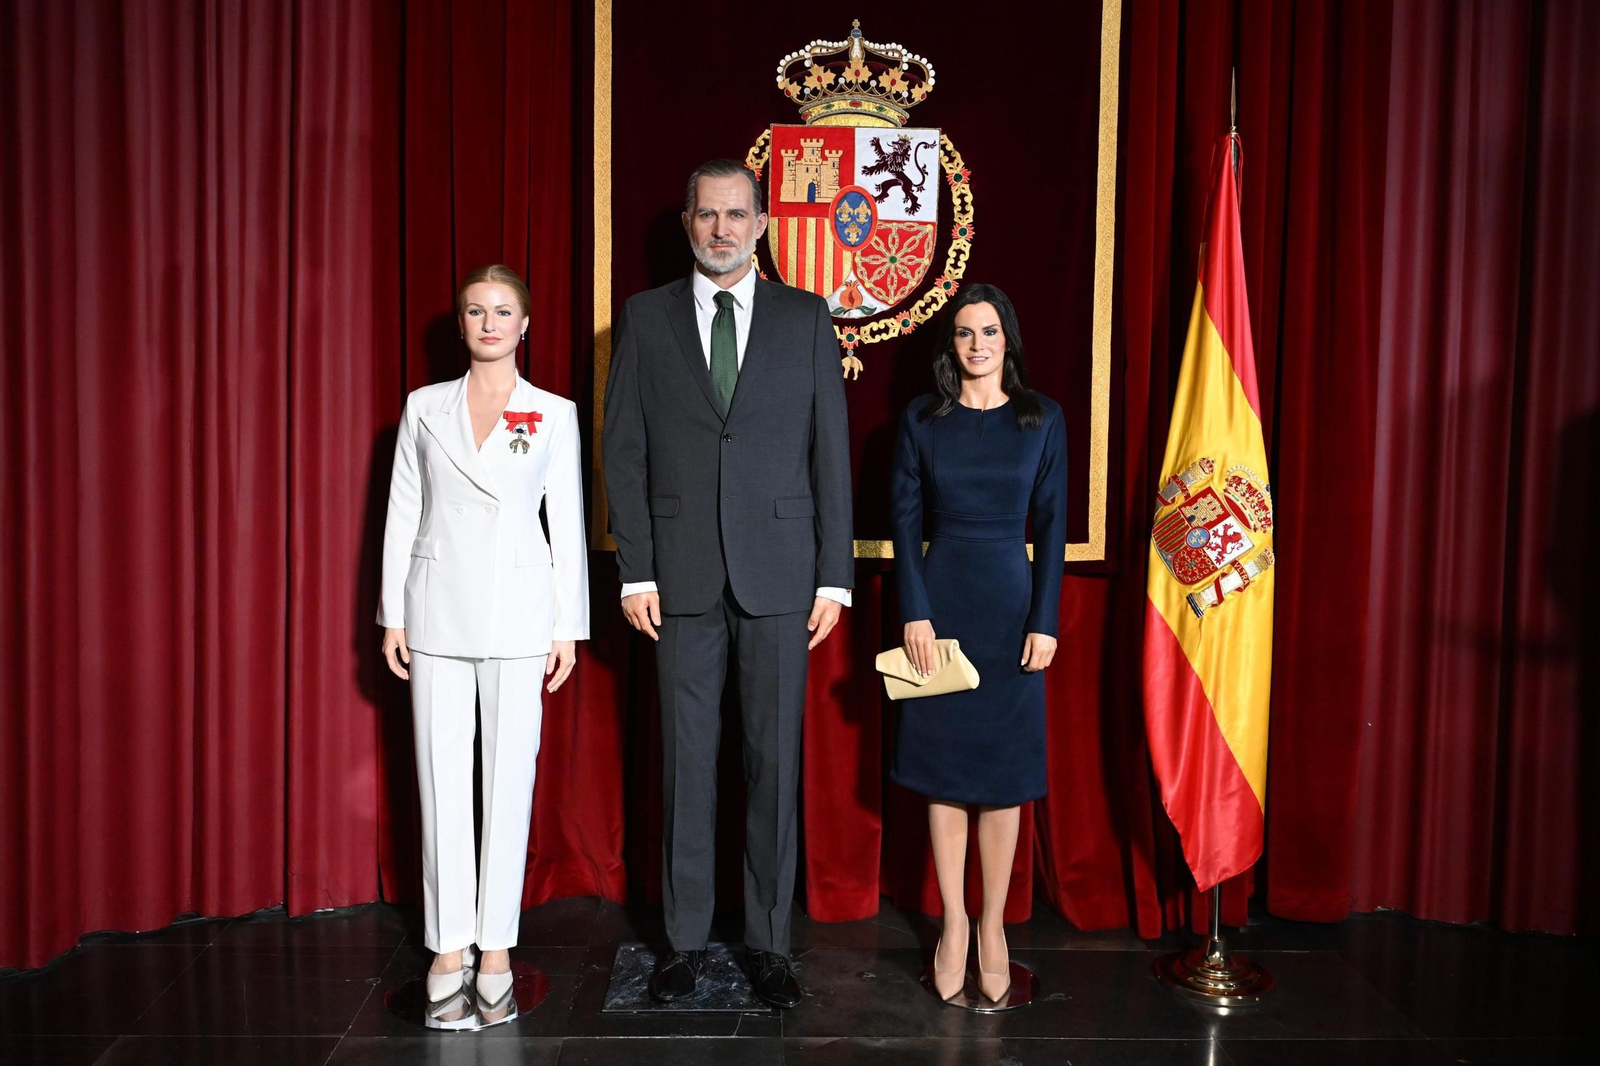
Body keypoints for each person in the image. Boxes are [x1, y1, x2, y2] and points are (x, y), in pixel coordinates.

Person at [602, 159, 853, 1009]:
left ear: (762, 224)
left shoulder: (806, 318)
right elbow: (623, 453)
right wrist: (634, 565)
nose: (722, 228)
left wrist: (835, 576)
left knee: (773, 765)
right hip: (677, 580)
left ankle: (769, 945)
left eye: (737, 214)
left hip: (783, 579)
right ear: (687, 223)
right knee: (687, 765)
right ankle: (681, 943)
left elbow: (831, 454)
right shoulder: (643, 319)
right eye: (707, 215)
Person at [377, 263, 589, 1016]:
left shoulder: (553, 413)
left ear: (525, 325)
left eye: (503, 311)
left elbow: (566, 523)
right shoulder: (423, 407)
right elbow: (404, 510)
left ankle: (496, 939)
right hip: (434, 608)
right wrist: (391, 614)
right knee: (440, 780)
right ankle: (447, 941)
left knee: (508, 783)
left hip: (521, 613)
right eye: (475, 310)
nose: (489, 322)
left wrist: (569, 624)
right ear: (460, 323)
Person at [888, 283, 1067, 1005]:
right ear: (950, 344)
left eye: (989, 331)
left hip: (1013, 608)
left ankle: (994, 924)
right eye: (964, 333)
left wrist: (1046, 619)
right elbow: (903, 522)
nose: (977, 344)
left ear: (1007, 338)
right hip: (942, 601)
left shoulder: (1042, 418)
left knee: (1002, 779)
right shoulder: (922, 419)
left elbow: (1052, 525)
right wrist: (916, 611)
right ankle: (954, 924)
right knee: (945, 774)